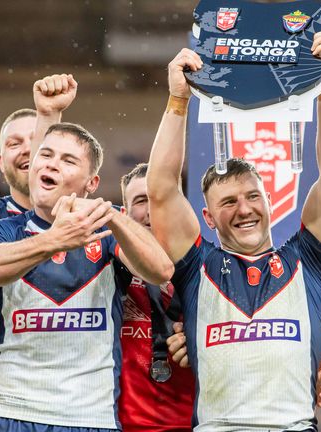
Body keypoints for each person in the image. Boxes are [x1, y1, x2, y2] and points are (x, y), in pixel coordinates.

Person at [147, 31, 321, 431]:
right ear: (207, 217)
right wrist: (178, 99)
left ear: (270, 202)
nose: (244, 209)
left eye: (253, 197)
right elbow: (161, 190)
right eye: (228, 202)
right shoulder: (196, 267)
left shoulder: (305, 261)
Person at [0, 119, 174, 431]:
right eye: (45, 156)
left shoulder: (107, 230)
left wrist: (111, 214)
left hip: (91, 417)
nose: (52, 164)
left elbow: (160, 270)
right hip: (16, 413)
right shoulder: (3, 228)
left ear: (91, 183)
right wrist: (53, 240)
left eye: (68, 160)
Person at [117, 163, 195, 432]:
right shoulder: (108, 269)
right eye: (141, 201)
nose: (151, 210)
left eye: (159, 199)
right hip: (121, 425)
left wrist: (199, 343)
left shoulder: (206, 269)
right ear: (124, 214)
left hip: (195, 425)